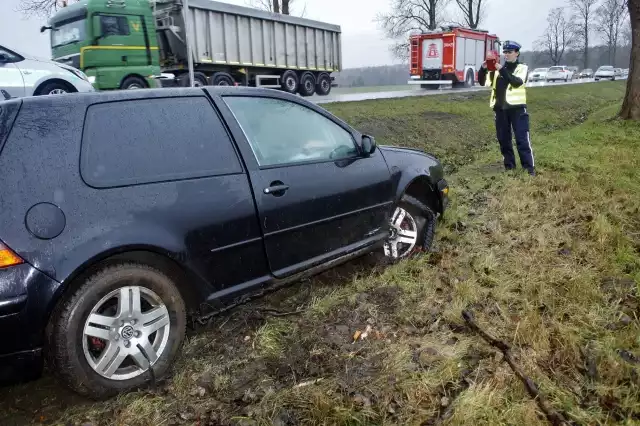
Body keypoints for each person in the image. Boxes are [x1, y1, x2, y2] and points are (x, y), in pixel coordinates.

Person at [478, 40, 535, 176]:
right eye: (505, 52)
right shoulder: (497, 71)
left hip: (517, 110)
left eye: (509, 52)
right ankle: (510, 168)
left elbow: (516, 82)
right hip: (500, 110)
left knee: (522, 139)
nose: (506, 55)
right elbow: (482, 82)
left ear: (517, 53)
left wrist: (500, 69)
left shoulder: (522, 68)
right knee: (504, 141)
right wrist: (483, 68)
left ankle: (529, 170)